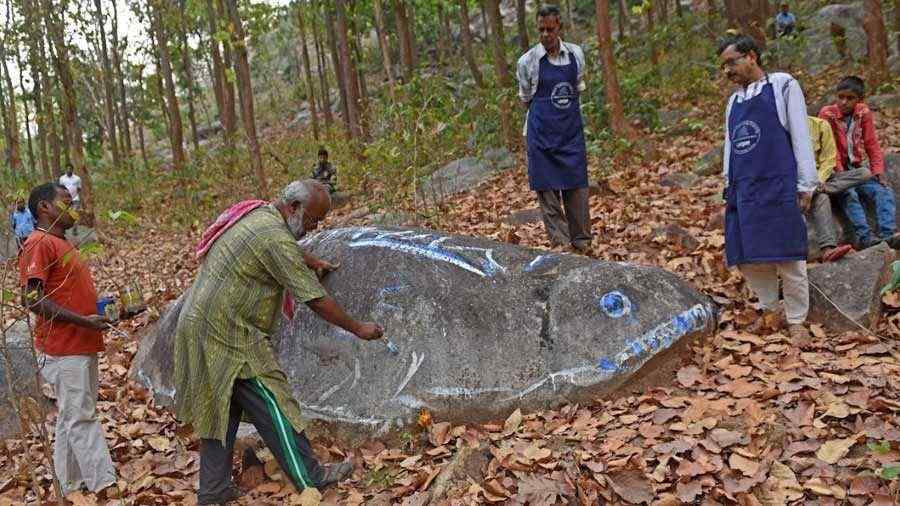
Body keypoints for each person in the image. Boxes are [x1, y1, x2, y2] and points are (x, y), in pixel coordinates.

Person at [174, 180, 384, 505]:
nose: (316, 226)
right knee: (273, 401)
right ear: (295, 208)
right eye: (314, 219)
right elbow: (313, 298)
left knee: (222, 408)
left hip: (200, 322)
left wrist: (310, 260)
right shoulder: (275, 238)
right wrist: (358, 328)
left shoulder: (260, 215)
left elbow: (278, 245)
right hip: (228, 333)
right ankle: (310, 476)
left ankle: (213, 492)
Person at [18, 183, 117, 498]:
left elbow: (67, 295)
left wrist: (103, 314)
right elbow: (33, 299)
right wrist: (81, 321)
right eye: (66, 200)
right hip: (63, 347)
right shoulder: (39, 243)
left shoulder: (63, 244)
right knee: (81, 415)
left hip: (82, 342)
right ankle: (106, 487)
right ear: (45, 207)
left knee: (70, 416)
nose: (72, 204)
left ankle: (68, 484)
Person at [719, 35, 817, 341]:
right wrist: (727, 182)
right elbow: (730, 145)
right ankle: (769, 309)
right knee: (747, 255)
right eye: (723, 66)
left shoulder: (783, 85)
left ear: (751, 56)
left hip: (778, 182)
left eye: (731, 62)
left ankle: (797, 320)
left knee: (788, 253)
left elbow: (800, 134)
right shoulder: (733, 101)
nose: (727, 71)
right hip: (744, 187)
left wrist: (806, 184)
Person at [516, 4, 592, 253]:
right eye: (541, 30)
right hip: (541, 135)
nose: (546, 34)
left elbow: (578, 88)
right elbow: (526, 98)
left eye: (550, 29)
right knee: (547, 193)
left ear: (559, 27)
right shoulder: (528, 61)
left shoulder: (576, 54)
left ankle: (582, 243)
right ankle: (561, 246)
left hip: (570, 134)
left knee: (577, 189)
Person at [819, 76, 896, 250]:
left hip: (857, 169)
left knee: (883, 190)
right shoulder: (827, 114)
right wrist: (841, 174)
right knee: (850, 193)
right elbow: (830, 150)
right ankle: (865, 237)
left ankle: (888, 234)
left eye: (850, 98)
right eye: (840, 97)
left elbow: (871, 143)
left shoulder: (863, 113)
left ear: (860, 100)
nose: (843, 102)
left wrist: (878, 171)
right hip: (835, 171)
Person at [806, 115, 853, 262]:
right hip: (798, 183)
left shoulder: (819, 125)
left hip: (822, 178)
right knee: (822, 198)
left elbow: (829, 159)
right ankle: (828, 249)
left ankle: (819, 189)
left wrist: (819, 180)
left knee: (864, 173)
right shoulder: (778, 128)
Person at [59, 164, 82, 236]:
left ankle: (74, 230)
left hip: (75, 199)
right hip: (65, 200)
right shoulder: (62, 178)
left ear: (72, 169)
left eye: (70, 169)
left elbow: (79, 189)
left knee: (75, 215)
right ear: (65, 170)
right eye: (67, 169)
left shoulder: (77, 178)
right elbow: (61, 188)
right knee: (64, 214)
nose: (69, 170)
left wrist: (74, 195)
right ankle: (64, 229)